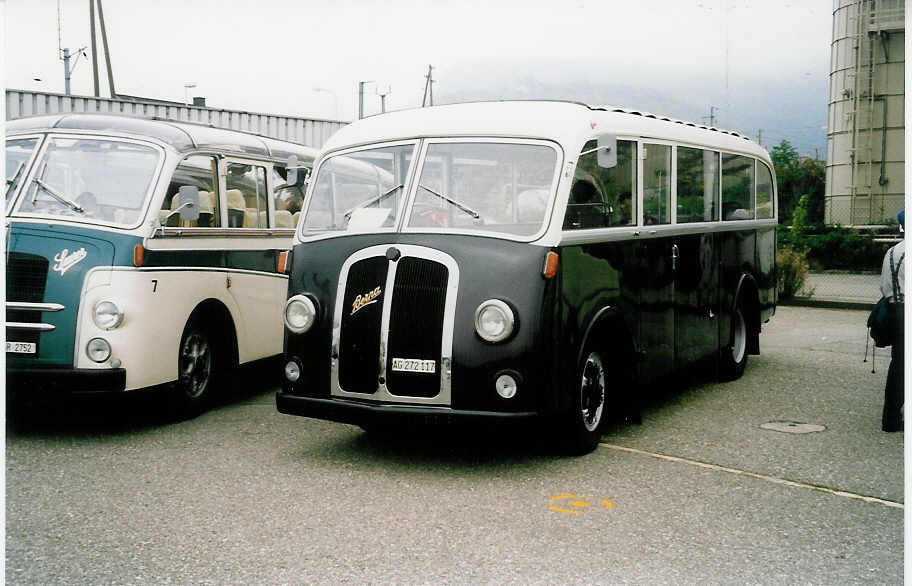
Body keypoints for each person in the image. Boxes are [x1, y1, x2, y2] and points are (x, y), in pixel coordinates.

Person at [880, 210, 905, 431]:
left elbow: (884, 286)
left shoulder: (891, 252)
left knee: (898, 365)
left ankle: (890, 417)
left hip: (894, 310)